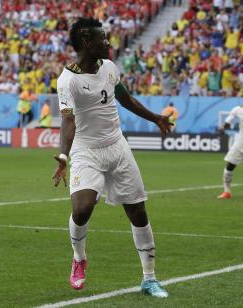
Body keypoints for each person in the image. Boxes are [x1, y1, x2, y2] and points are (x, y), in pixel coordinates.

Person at [52, 18, 173, 298]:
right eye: (102, 39)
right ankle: (79, 258)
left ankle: (149, 279)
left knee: (138, 212)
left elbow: (125, 98)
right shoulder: (67, 80)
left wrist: (156, 118)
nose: (108, 43)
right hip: (86, 150)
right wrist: (63, 154)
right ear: (86, 41)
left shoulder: (109, 68)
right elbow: (67, 122)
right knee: (82, 210)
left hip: (117, 147)